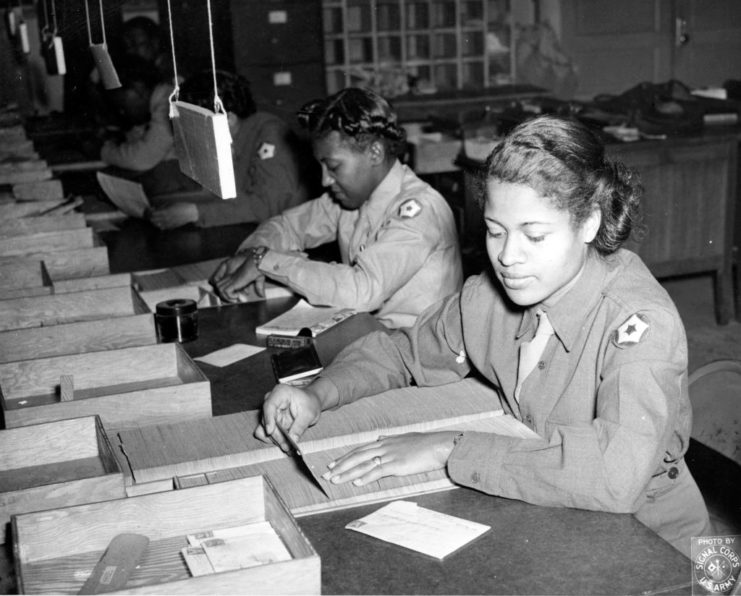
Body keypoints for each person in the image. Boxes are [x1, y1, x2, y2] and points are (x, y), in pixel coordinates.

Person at [255, 114, 711, 557]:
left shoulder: (640, 322)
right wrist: (317, 393)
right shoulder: (491, 296)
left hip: (665, 545)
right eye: (495, 232)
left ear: (589, 223)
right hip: (559, 514)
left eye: (534, 236)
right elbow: (403, 352)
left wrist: (451, 448)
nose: (507, 257)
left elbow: (616, 476)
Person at [210, 87, 463, 329]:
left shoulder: (419, 210)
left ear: (374, 153)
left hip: (422, 357)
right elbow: (287, 226)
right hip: (374, 338)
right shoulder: (352, 199)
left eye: (333, 167)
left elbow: (363, 290)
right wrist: (252, 254)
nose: (325, 180)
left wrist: (267, 261)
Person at [146, 70, 314, 229]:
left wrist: (195, 213)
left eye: (195, 124)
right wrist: (166, 206)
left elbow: (268, 205)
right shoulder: (232, 138)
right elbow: (225, 196)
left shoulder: (270, 134)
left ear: (228, 119)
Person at [98, 53, 176, 174]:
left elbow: (142, 159)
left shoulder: (167, 104)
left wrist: (103, 151)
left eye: (122, 105)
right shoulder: (159, 100)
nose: (122, 112)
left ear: (137, 88)